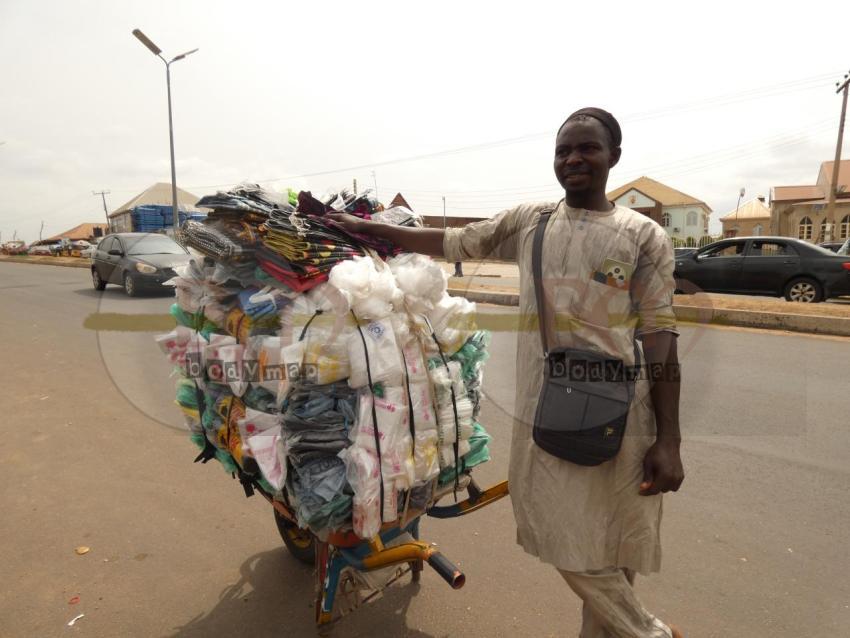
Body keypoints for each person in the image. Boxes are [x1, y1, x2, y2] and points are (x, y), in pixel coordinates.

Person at [329, 107, 685, 638]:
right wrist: (367, 228)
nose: (573, 159)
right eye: (564, 150)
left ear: (614, 155)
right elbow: (455, 242)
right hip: (549, 407)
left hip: (625, 412)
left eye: (587, 148)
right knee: (560, 531)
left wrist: (670, 439)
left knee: (614, 539)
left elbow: (660, 334)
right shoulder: (530, 222)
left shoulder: (642, 235)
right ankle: (647, 632)